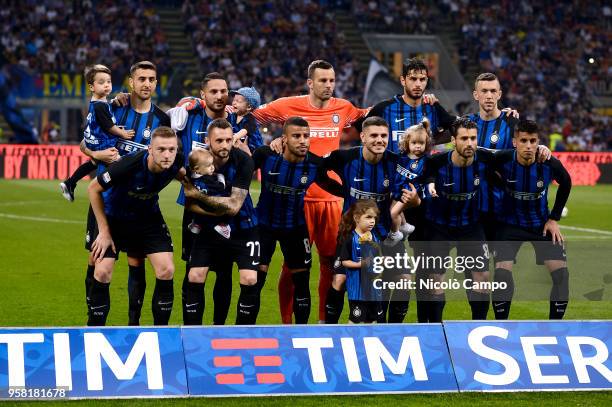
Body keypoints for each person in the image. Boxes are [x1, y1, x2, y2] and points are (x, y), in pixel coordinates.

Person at [252, 59, 369, 324]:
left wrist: (422, 103)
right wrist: (261, 141)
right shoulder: (287, 105)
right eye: (323, 81)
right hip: (299, 198)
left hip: (331, 201)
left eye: (331, 80)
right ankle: (286, 322)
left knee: (330, 262)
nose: (328, 85)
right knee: (293, 267)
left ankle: (323, 322)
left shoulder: (344, 108)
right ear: (310, 83)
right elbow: (250, 116)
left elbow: (370, 114)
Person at [80, 61, 170, 326]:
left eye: (151, 79)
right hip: (107, 201)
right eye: (141, 79)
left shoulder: (161, 121)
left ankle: (135, 324)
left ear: (156, 83)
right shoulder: (114, 110)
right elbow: (85, 142)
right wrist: (95, 154)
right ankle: (92, 324)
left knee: (137, 260)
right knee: (100, 264)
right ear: (131, 82)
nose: (146, 84)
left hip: (142, 205)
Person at [170, 72, 261, 325]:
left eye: (224, 91)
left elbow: (252, 154)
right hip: (195, 208)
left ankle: (220, 328)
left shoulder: (237, 118)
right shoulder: (189, 115)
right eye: (214, 92)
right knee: (193, 271)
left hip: (230, 204)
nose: (220, 96)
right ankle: (192, 329)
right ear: (203, 95)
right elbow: (168, 143)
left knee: (224, 272)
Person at [322, 116, 419, 323]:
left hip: (386, 234)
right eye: (374, 135)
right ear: (363, 137)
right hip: (351, 233)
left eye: (384, 136)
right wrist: (338, 190)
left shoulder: (396, 163)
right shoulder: (345, 157)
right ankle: (329, 329)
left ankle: (392, 330)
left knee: (402, 281)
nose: (379, 140)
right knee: (339, 280)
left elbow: (415, 198)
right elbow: (316, 168)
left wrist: (414, 199)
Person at [86, 126, 184, 326]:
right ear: (150, 149)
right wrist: (104, 232)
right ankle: (94, 330)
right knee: (103, 271)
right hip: (113, 217)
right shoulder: (129, 164)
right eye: (161, 149)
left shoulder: (177, 162)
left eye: (171, 150)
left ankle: (161, 333)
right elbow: (93, 188)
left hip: (148, 217)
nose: (167, 155)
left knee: (166, 269)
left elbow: (185, 175)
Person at [252, 116, 342, 324]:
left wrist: (354, 192)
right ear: (284, 139)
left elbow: (331, 185)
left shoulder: (315, 164)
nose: (303, 141)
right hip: (264, 226)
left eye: (306, 136)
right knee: (255, 280)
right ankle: (247, 330)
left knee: (302, 282)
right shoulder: (266, 155)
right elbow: (241, 170)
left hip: (295, 228)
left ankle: (302, 332)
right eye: (296, 136)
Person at [491, 119, 571, 320]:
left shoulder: (549, 163)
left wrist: (554, 218)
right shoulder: (503, 159)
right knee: (502, 275)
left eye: (533, 141)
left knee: (561, 275)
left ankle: (556, 326)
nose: (528, 146)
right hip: (509, 225)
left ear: (538, 142)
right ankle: (501, 325)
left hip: (541, 225)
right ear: (514, 142)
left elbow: (566, 182)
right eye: (524, 140)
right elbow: (480, 161)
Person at [59, 64, 134, 202]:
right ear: (92, 87)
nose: (106, 85)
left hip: (93, 141)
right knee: (120, 165)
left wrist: (114, 103)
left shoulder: (99, 103)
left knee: (93, 163)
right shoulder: (100, 106)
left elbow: (107, 109)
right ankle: (108, 194)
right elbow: (109, 126)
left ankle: (70, 182)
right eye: (101, 82)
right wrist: (122, 134)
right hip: (103, 143)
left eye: (108, 81)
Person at [364, 58, 456, 154]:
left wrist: (430, 141)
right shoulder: (384, 108)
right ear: (403, 80)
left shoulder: (433, 108)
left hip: (422, 168)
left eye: (422, 79)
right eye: (413, 79)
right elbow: (360, 131)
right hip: (390, 168)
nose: (418, 84)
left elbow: (457, 128)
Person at [468, 72, 520, 241]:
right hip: (472, 208)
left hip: (503, 209)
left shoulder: (511, 123)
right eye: (484, 91)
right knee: (473, 265)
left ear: (499, 94)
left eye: (492, 91)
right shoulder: (467, 124)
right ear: (476, 95)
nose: (489, 96)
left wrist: (541, 148)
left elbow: (526, 150)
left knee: (502, 266)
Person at [337, 200, 382, 323]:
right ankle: (351, 340)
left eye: (374, 217)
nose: (372, 221)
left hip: (373, 289)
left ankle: (369, 341)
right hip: (357, 291)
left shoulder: (375, 237)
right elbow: (344, 261)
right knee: (355, 320)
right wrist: (359, 264)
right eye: (368, 217)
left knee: (372, 320)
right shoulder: (350, 239)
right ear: (357, 218)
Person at [230, 86, 264, 153]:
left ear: (248, 107)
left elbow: (245, 130)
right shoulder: (232, 116)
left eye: (238, 101)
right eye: (234, 100)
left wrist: (235, 137)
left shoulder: (250, 119)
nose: (234, 103)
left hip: (254, 150)